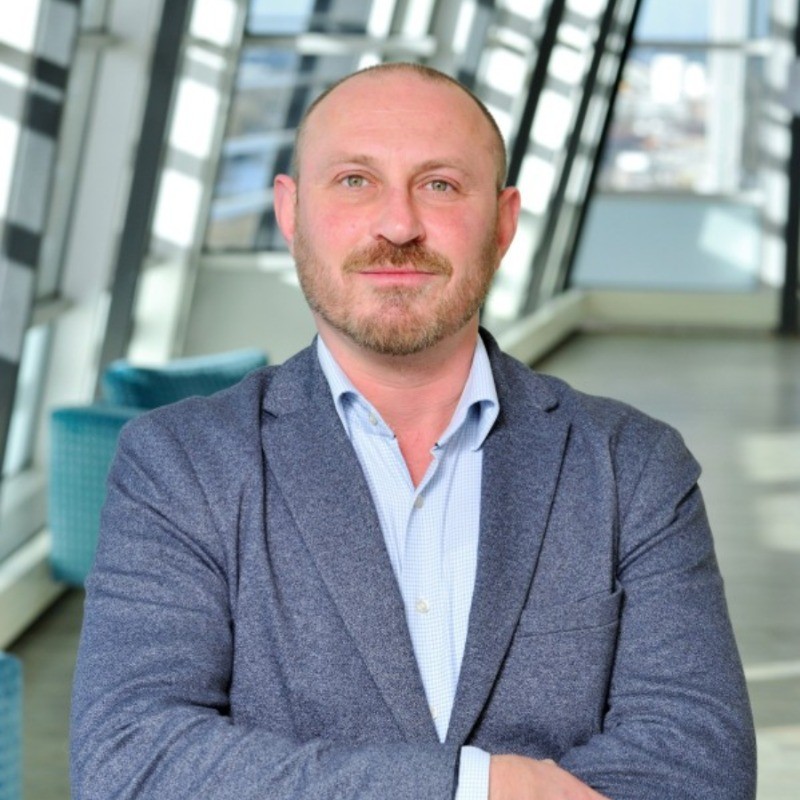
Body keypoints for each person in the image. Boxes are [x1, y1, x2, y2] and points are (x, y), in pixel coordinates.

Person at [71, 62, 756, 799]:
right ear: (291, 211)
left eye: (440, 185)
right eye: (355, 180)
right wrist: (479, 786)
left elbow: (702, 767)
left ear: (503, 223)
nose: (398, 226)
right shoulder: (179, 464)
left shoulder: (633, 467)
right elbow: (130, 763)